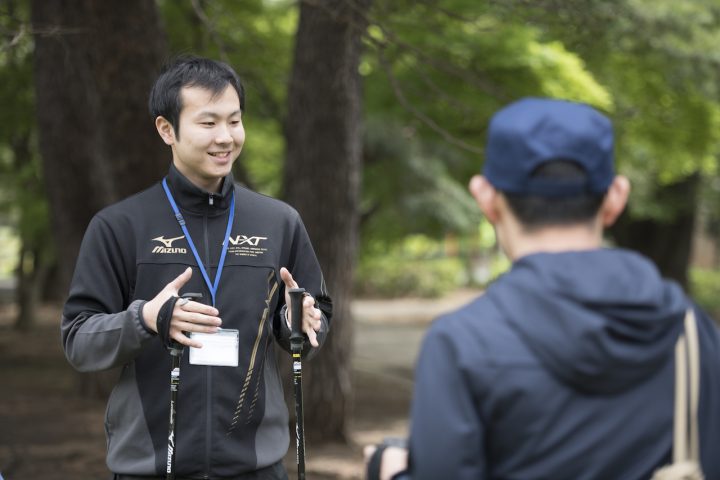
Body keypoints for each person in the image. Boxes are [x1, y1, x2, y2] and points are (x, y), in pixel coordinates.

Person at [365, 97, 720, 479]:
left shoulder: (462, 343)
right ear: (616, 197)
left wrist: (390, 472)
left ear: (486, 197)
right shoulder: (690, 330)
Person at [61, 55, 332, 480]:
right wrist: (145, 319)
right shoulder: (120, 226)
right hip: (151, 468)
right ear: (166, 129)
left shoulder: (278, 222)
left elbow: (314, 321)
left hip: (256, 468)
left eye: (234, 121)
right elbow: (79, 340)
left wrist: (297, 323)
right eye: (208, 123)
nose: (225, 137)